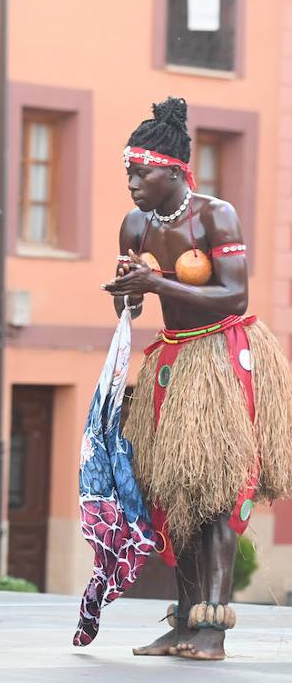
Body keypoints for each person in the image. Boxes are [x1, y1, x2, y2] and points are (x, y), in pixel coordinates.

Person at [103, 97, 292, 661]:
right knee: (172, 492)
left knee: (213, 494)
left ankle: (213, 627)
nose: (133, 183)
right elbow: (136, 306)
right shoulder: (135, 225)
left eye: (143, 173)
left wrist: (157, 286)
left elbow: (234, 295)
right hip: (171, 363)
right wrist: (129, 297)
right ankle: (183, 621)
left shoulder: (215, 215)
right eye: (129, 173)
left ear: (177, 171)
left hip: (219, 360)